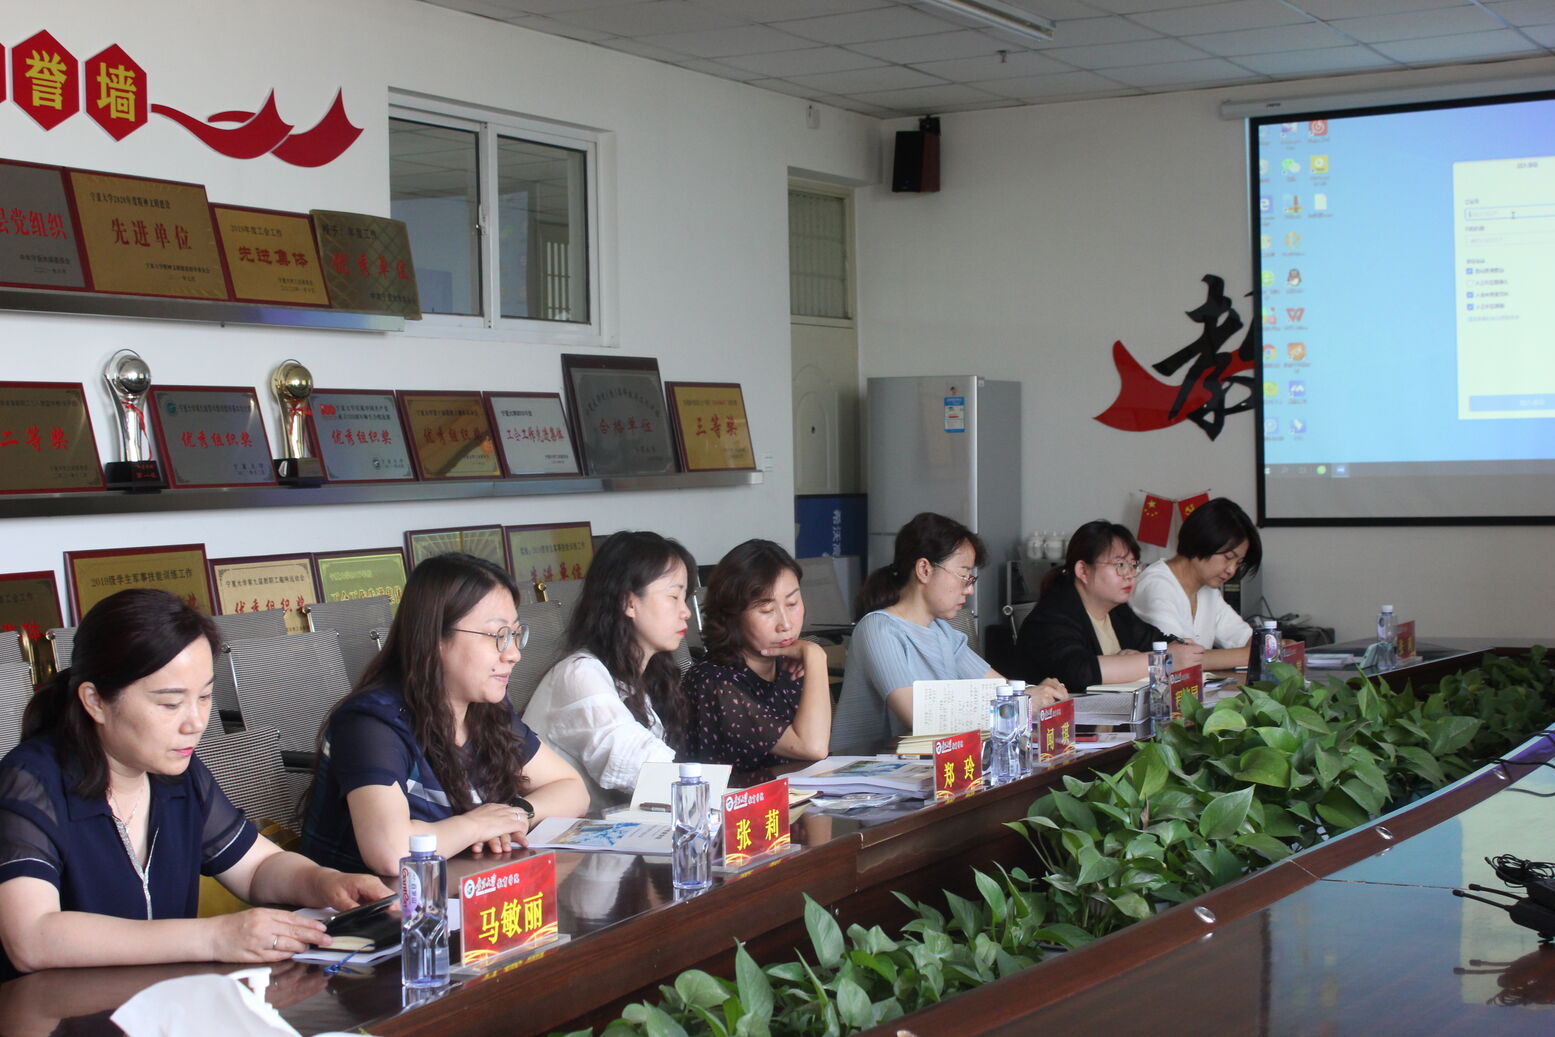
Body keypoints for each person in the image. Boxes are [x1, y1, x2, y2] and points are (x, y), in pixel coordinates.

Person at [0, 589, 390, 980]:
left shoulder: (177, 777)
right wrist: (214, 936)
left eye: (204, 697)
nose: (196, 722)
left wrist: (324, 882)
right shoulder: (31, 784)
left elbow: (257, 867)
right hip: (56, 1006)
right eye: (170, 704)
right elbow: (32, 938)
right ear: (96, 701)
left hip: (161, 999)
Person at [302, 553, 587, 876]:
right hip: (377, 903)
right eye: (498, 636)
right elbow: (391, 851)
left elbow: (571, 787)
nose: (513, 654)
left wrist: (517, 814)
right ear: (435, 637)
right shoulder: (371, 724)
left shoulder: (485, 707)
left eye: (515, 634)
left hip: (466, 886)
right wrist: (477, 825)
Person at [830, 513, 1067, 756]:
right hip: (864, 771)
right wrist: (1024, 704)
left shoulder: (942, 631)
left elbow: (1000, 688)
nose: (970, 589)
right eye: (964, 576)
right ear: (924, 570)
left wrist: (1038, 692)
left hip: (922, 764)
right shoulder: (878, 629)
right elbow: (917, 715)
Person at [522, 531, 697, 812]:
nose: (685, 611)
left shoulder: (643, 676)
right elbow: (644, 768)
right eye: (673, 596)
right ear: (629, 602)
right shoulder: (579, 674)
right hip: (562, 835)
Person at [681, 540, 831, 776]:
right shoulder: (714, 681)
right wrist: (816, 656)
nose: (786, 624)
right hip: (735, 800)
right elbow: (813, 747)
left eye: (792, 603)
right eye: (767, 610)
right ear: (732, 615)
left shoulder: (791, 665)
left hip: (795, 794)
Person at [1015, 521, 1205, 693]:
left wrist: (1139, 658)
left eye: (1133, 565)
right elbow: (1079, 672)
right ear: (1083, 571)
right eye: (1120, 564)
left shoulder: (1117, 611)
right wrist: (1161, 661)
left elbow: (1162, 643)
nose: (1129, 574)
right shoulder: (1051, 616)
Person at [1132, 497, 1262, 672]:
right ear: (1202, 540)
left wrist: (1275, 644)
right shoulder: (1156, 585)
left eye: (1238, 563)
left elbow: (1243, 637)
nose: (1232, 570)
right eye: (1228, 557)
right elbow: (1179, 659)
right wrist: (1260, 652)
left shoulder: (1208, 588)